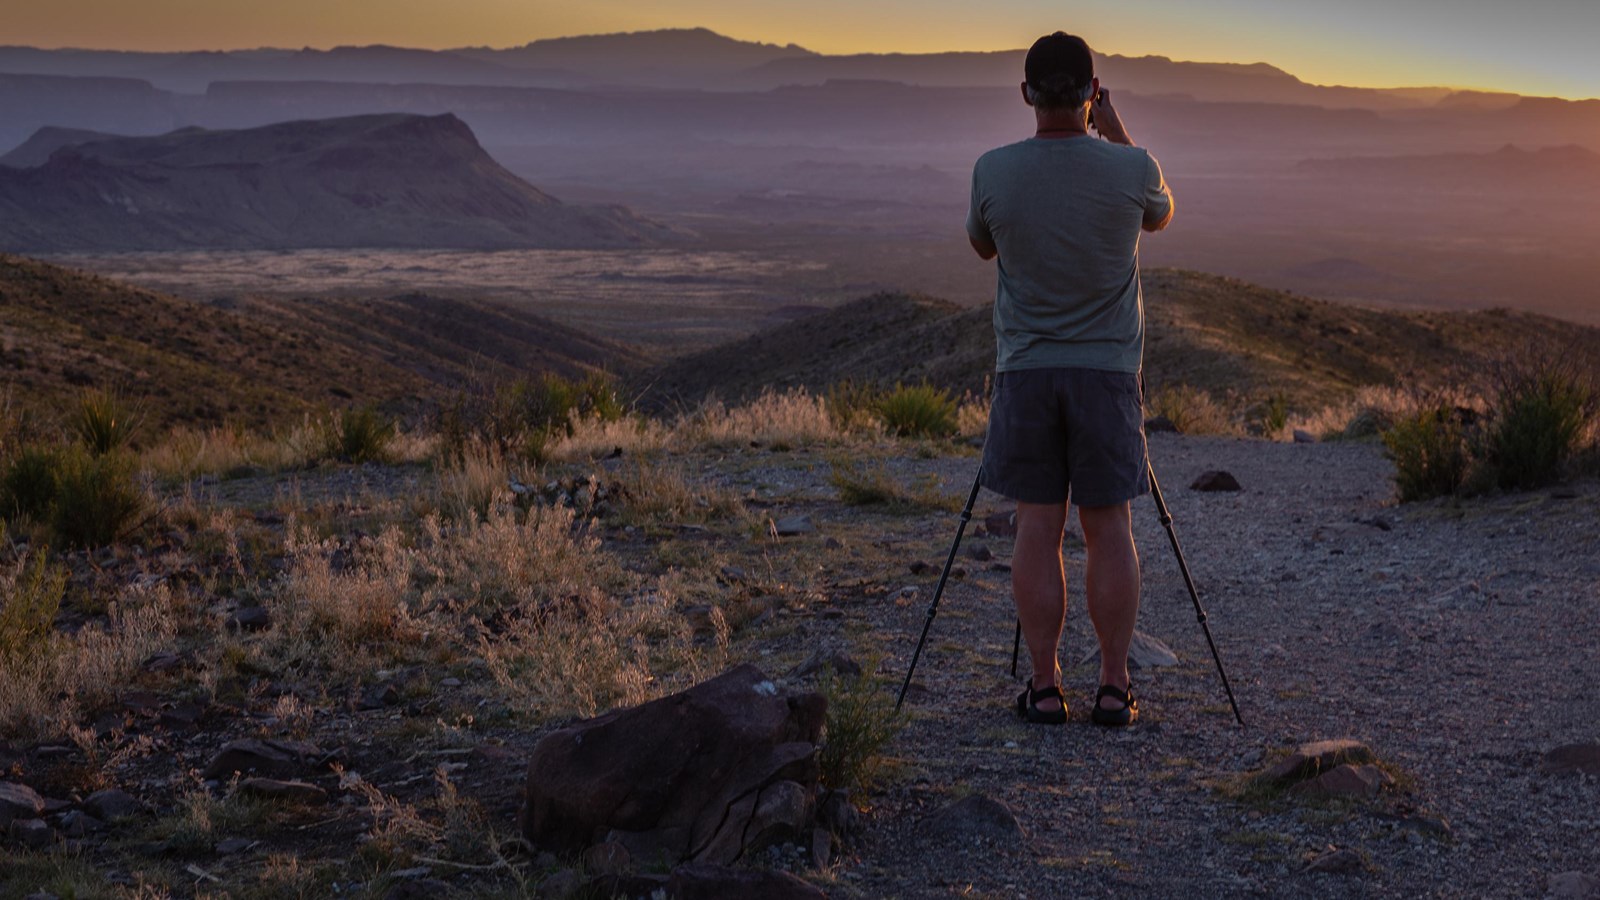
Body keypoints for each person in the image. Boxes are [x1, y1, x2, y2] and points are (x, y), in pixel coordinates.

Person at [965, 31, 1174, 727]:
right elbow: (1161, 214)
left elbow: (982, 244)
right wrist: (1114, 132)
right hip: (1107, 373)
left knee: (1036, 526)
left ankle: (1045, 686)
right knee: (1109, 527)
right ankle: (1114, 688)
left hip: (1026, 371)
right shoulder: (1133, 166)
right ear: (1091, 92)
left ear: (1026, 94)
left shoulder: (993, 170)